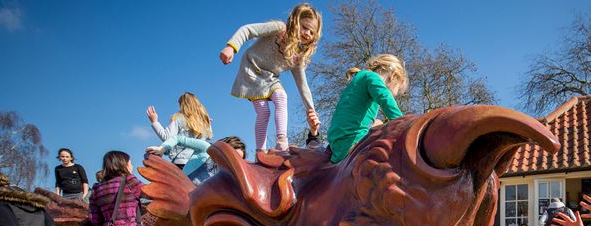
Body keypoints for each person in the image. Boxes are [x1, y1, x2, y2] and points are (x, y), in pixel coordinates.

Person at [219, 3, 322, 155]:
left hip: (270, 77)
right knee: (264, 112)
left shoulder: (297, 57)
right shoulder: (279, 29)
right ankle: (260, 151)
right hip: (252, 70)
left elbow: (303, 85)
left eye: (311, 32)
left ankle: (282, 142)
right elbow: (247, 30)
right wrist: (231, 47)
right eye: (304, 27)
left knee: (281, 96)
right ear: (295, 22)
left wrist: (311, 110)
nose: (307, 33)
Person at [324, 54, 408, 164]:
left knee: (377, 122)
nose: (395, 95)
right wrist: (404, 125)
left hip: (337, 144)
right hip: (352, 142)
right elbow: (385, 99)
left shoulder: (359, 79)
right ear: (392, 76)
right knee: (381, 125)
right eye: (396, 89)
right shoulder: (372, 77)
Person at [146, 92, 213, 170]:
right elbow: (209, 137)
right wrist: (208, 123)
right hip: (200, 162)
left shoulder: (179, 118)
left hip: (181, 162)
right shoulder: (205, 120)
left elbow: (167, 138)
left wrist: (154, 121)